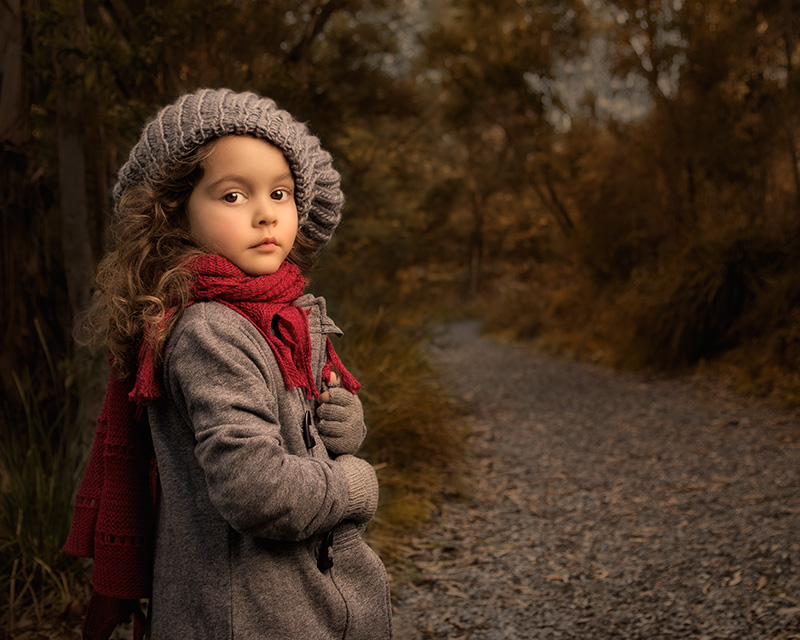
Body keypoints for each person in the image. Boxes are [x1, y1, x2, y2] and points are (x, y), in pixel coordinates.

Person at [65, 88, 393, 640]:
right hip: (251, 613)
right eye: (234, 195)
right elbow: (255, 489)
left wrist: (341, 420)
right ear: (176, 214)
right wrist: (351, 485)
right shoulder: (210, 329)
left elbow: (284, 424)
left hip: (291, 602)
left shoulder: (276, 315)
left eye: (281, 193)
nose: (266, 213)